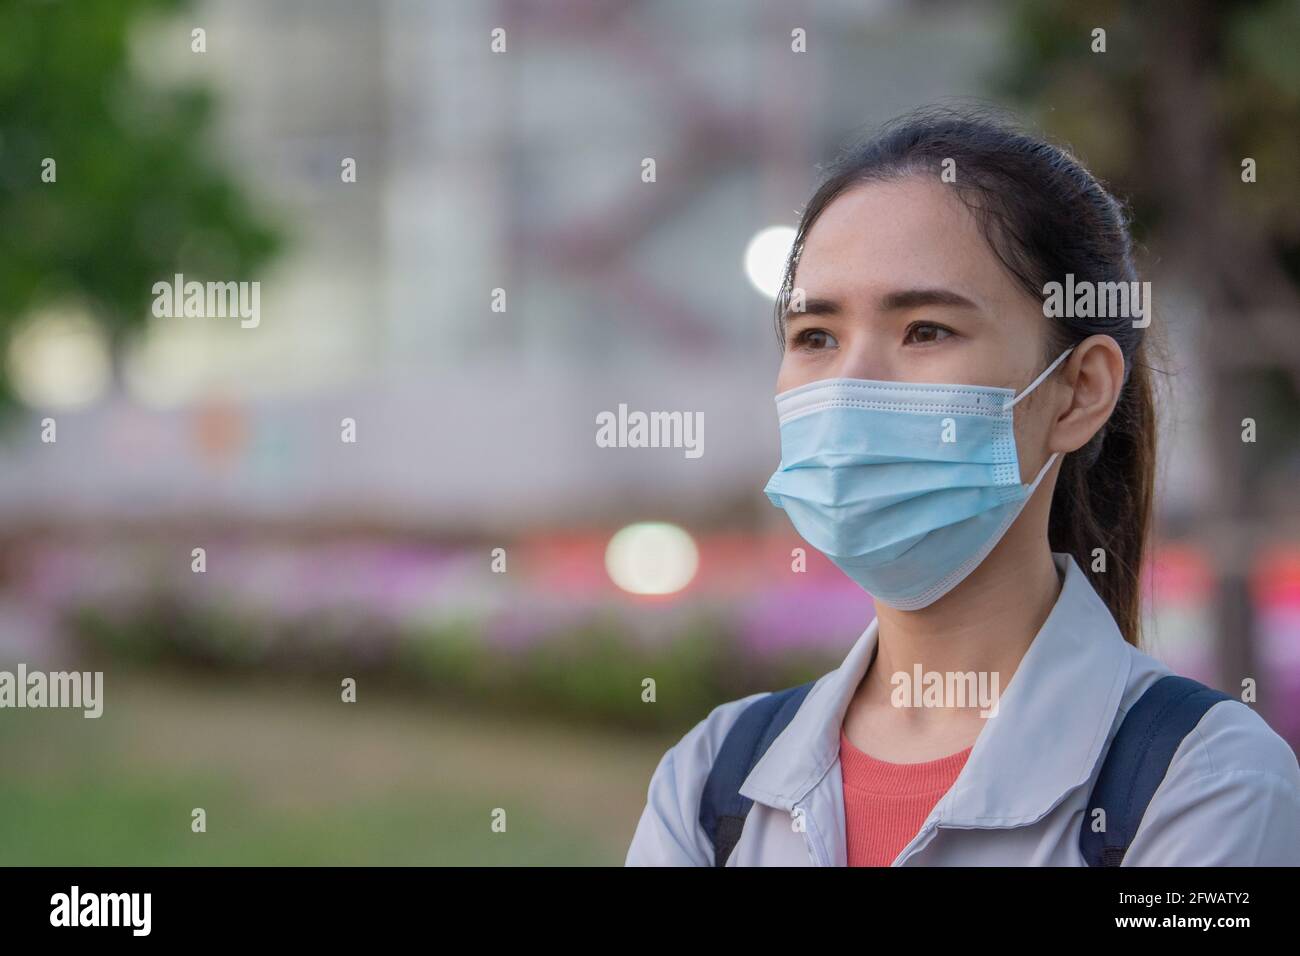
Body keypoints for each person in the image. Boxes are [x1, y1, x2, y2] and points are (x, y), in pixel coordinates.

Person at [624, 106, 1300, 866]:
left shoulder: (1203, 784)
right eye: (816, 336)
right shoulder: (713, 781)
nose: (851, 386)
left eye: (925, 330)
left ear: (1078, 391)